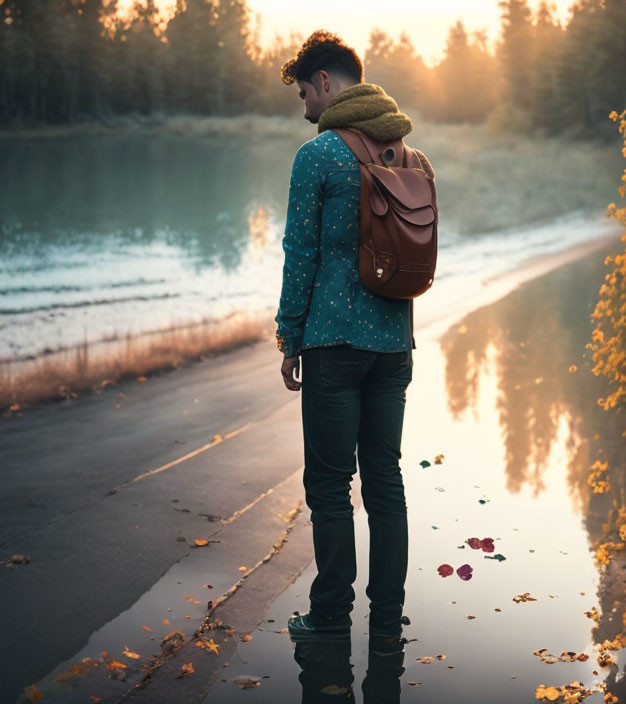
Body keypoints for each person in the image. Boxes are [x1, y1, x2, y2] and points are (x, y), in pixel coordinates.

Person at [275, 30, 430, 641]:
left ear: (327, 84)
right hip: (394, 344)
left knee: (330, 486)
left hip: (334, 344)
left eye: (305, 93)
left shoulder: (316, 157)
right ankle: (388, 617)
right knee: (385, 481)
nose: (305, 107)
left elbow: (299, 254)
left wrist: (290, 339)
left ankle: (332, 616)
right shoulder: (413, 159)